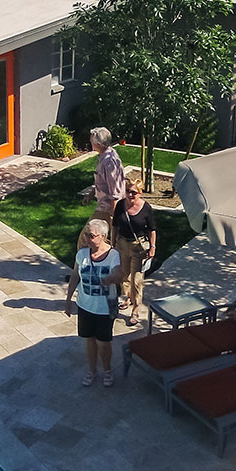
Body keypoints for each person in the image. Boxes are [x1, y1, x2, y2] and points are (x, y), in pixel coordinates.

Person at [65, 218, 123, 388]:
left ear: (103, 237)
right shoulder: (82, 254)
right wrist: (68, 300)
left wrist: (112, 278)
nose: (86, 238)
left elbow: (119, 273)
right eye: (85, 235)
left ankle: (107, 370)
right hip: (85, 306)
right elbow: (75, 276)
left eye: (90, 235)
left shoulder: (113, 255)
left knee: (103, 343)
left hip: (105, 308)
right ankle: (92, 370)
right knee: (89, 340)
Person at [111, 180, 156, 326]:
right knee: (124, 275)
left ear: (140, 193)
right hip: (122, 244)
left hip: (138, 246)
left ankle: (136, 309)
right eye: (128, 191)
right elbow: (115, 226)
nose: (130, 194)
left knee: (136, 279)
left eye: (134, 192)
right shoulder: (120, 205)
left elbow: (152, 229)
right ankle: (129, 298)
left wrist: (153, 246)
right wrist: (112, 244)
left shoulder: (146, 208)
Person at [78, 127, 125, 250]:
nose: (90, 142)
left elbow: (115, 192)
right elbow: (103, 181)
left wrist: (114, 218)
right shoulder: (106, 154)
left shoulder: (108, 162)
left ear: (98, 144)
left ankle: (81, 267)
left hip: (107, 209)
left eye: (91, 140)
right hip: (105, 206)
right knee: (104, 240)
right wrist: (91, 194)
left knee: (85, 238)